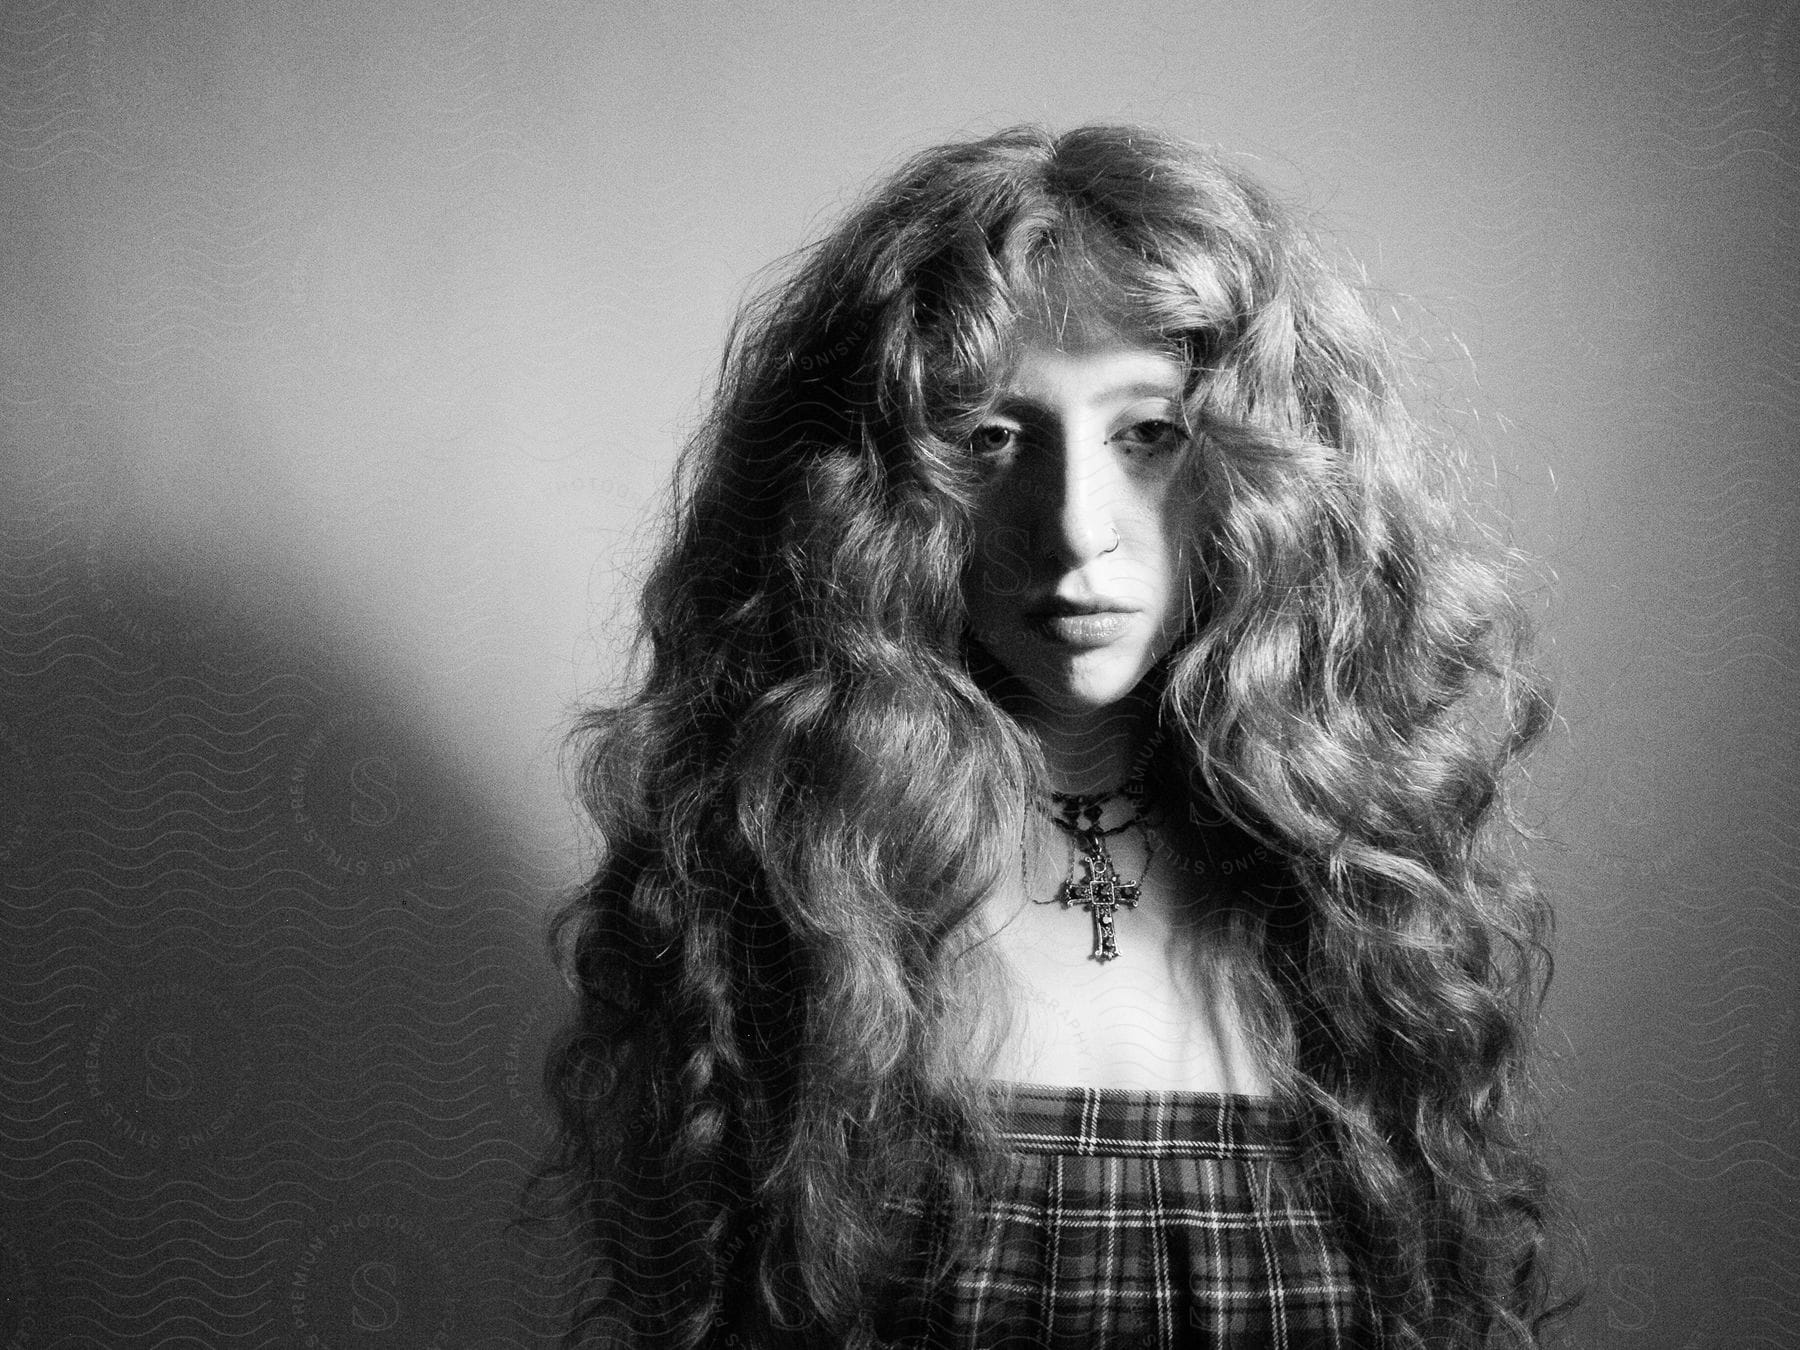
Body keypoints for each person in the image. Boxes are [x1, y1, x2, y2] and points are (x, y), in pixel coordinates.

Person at [539, 124, 1576, 1349]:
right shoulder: (798, 907)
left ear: (1272, 475)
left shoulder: (1359, 904)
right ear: (869, 497)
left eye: (1148, 432)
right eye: (990, 439)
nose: (1078, 529)